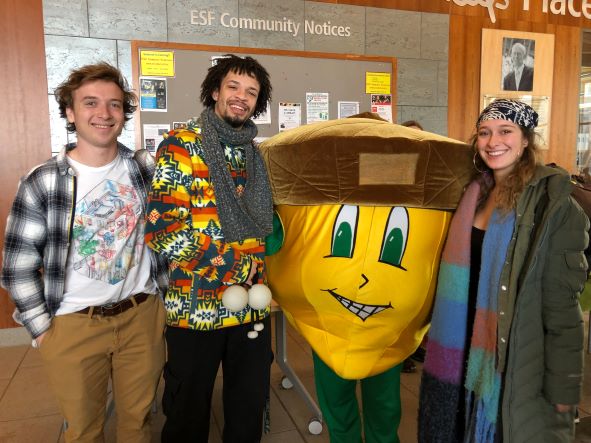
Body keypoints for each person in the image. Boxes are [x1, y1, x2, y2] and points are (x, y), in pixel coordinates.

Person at [1, 62, 169, 442]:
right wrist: (43, 329)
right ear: (70, 112)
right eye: (90, 103)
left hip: (141, 316)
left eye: (114, 105)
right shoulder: (42, 180)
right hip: (73, 324)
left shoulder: (145, 168)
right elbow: (18, 267)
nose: (104, 114)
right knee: (83, 431)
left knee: (138, 424)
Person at [419, 99, 588, 442]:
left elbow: (562, 312)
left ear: (526, 140)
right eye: (484, 132)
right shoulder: (473, 193)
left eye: (505, 131)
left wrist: (563, 389)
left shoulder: (552, 207)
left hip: (512, 355)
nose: (493, 141)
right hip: (460, 342)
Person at [145, 54, 274, 442]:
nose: (241, 97)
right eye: (233, 87)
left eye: (251, 92)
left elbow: (266, 227)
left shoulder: (256, 153)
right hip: (195, 308)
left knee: (247, 409)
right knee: (187, 412)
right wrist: (234, 266)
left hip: (251, 307)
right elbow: (163, 230)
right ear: (215, 90)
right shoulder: (181, 145)